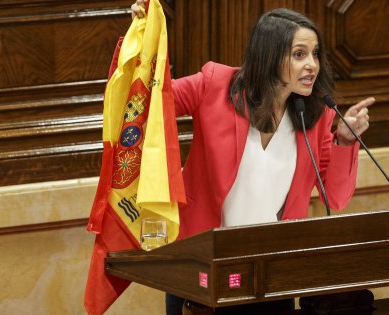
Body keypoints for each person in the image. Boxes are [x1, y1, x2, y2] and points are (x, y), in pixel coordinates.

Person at [128, 1, 374, 314]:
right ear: (269, 55)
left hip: (270, 277)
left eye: (315, 54)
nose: (312, 64)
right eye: (299, 54)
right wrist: (143, 41)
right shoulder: (214, 84)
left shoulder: (316, 116)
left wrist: (344, 139)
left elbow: (336, 198)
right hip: (202, 268)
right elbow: (149, 100)